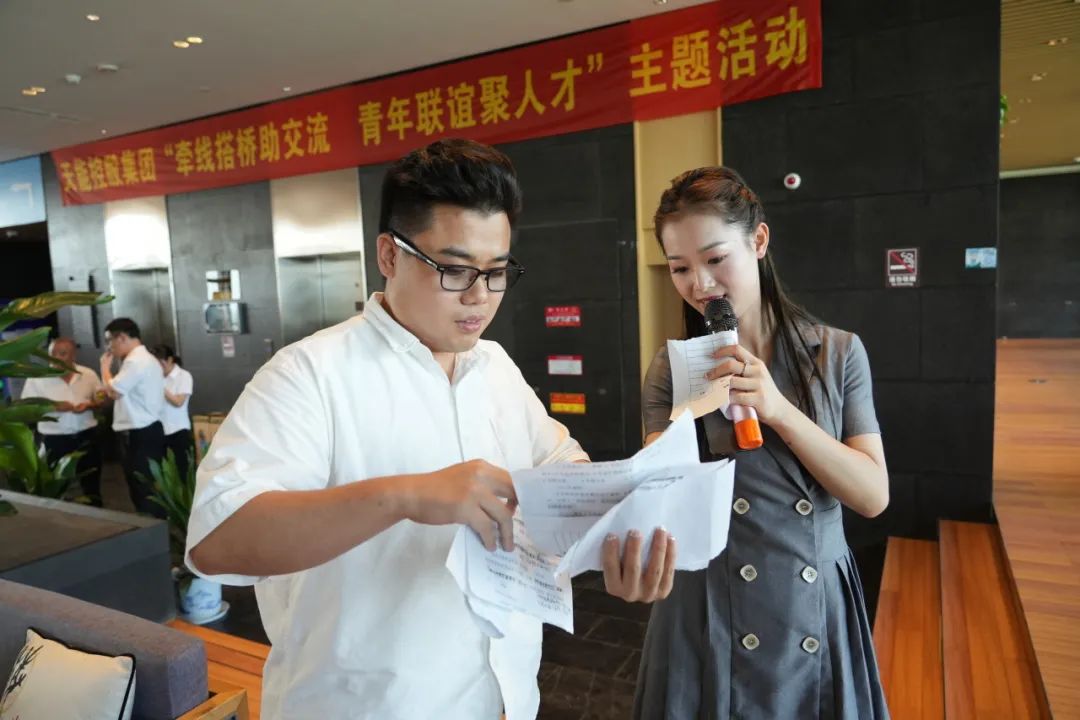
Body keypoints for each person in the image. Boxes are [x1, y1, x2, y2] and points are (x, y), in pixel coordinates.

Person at [184, 138, 675, 720]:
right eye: (455, 270)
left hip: (505, 699)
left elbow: (559, 465)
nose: (479, 297)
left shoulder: (494, 366)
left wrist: (616, 528)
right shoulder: (309, 374)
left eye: (496, 272)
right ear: (390, 256)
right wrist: (406, 496)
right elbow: (218, 541)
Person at [627, 167, 890, 719]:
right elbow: (664, 503)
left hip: (810, 607)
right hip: (708, 609)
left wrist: (778, 410)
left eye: (715, 258)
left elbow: (872, 495)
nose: (700, 284)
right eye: (680, 268)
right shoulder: (670, 370)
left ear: (759, 241)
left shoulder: (839, 353)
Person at [20, 337, 106, 506]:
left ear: (74, 355)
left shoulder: (88, 374)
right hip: (55, 441)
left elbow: (101, 397)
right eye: (52, 354)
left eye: (62, 353)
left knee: (92, 487)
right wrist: (53, 406)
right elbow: (26, 408)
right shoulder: (37, 378)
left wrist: (90, 404)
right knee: (56, 489)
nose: (56, 358)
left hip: (86, 438)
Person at [100, 317, 166, 517]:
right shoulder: (143, 359)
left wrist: (104, 368)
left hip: (141, 432)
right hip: (146, 430)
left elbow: (113, 392)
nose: (109, 347)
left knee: (143, 488)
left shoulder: (136, 361)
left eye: (110, 341)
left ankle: (152, 528)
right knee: (143, 485)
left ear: (121, 337)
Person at [151, 345, 194, 481]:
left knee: (182, 471)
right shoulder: (155, 376)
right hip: (159, 430)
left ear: (170, 360)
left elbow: (178, 401)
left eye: (160, 363)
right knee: (163, 473)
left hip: (178, 430)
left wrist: (160, 386)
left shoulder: (183, 376)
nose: (158, 367)